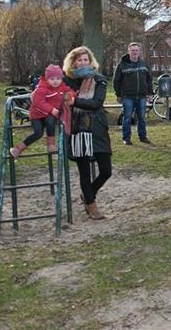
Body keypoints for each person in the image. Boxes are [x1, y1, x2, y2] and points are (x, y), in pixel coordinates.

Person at [63, 46, 112, 220]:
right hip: (78, 129)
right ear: (73, 63)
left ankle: (88, 194)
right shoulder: (67, 81)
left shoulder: (99, 79)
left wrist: (74, 101)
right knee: (84, 170)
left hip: (97, 127)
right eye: (80, 60)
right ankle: (92, 207)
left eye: (86, 60)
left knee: (106, 170)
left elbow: (96, 103)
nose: (83, 63)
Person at [10, 64, 74, 158]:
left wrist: (71, 97)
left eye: (58, 78)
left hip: (49, 115)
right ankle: (18, 148)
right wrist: (51, 109)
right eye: (52, 79)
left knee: (50, 120)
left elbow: (70, 91)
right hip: (37, 115)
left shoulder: (62, 87)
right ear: (47, 79)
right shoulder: (42, 88)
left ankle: (51, 145)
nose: (55, 81)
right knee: (38, 133)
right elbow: (38, 102)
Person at [113, 42, 153, 146]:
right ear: (129, 51)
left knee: (142, 118)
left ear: (139, 52)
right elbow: (116, 81)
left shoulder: (144, 64)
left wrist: (150, 93)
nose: (134, 52)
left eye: (136, 50)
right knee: (127, 118)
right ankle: (126, 138)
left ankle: (143, 137)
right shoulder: (122, 65)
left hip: (142, 96)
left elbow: (149, 79)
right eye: (133, 50)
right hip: (127, 97)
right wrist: (118, 95)